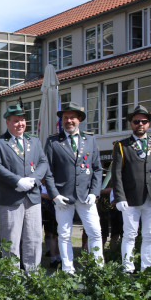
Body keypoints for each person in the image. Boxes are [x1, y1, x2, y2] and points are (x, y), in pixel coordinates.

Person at [111, 105, 151, 273]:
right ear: (131, 123)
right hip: (130, 199)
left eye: (144, 121)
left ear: (149, 124)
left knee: (150, 236)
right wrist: (119, 197)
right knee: (129, 235)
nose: (140, 124)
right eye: (136, 121)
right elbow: (116, 174)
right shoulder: (121, 146)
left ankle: (146, 268)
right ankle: (128, 269)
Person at [0, 104, 51, 272]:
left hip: (32, 197)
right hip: (10, 198)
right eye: (16, 121)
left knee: (34, 238)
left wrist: (34, 179)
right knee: (11, 239)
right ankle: (11, 277)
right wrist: (17, 181)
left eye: (22, 120)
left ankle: (33, 273)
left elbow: (43, 162)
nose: (20, 124)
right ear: (7, 122)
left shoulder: (34, 141)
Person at [44, 102, 103, 273]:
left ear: (79, 119)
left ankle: (97, 268)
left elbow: (97, 168)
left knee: (95, 232)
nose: (68, 121)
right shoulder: (53, 141)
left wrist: (94, 192)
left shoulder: (90, 139)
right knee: (64, 234)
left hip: (86, 196)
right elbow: (47, 171)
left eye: (72, 117)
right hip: (63, 196)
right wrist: (54, 195)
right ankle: (68, 269)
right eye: (65, 118)